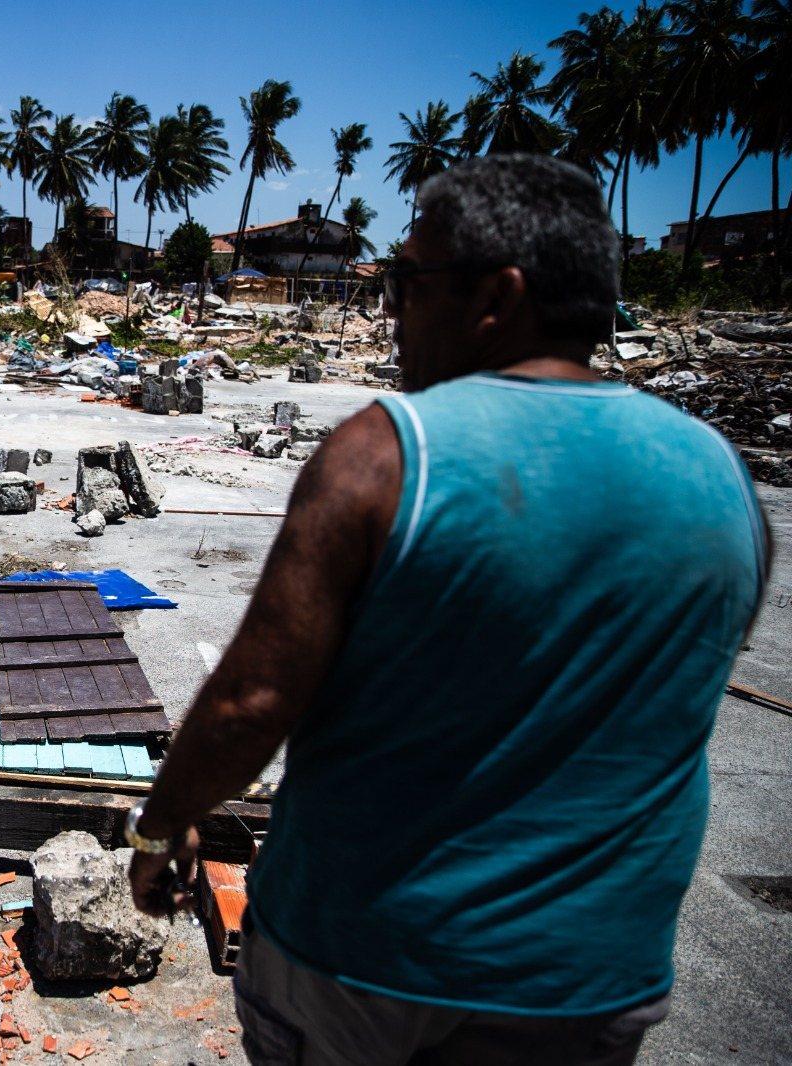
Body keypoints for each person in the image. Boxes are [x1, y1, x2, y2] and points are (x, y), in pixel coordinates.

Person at [123, 154, 769, 1065]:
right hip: (588, 985)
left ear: (495, 298)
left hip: (367, 965)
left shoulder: (383, 455)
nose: (391, 311)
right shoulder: (723, 478)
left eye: (406, 282)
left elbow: (251, 702)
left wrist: (159, 825)